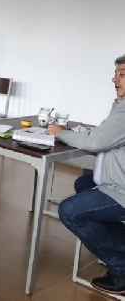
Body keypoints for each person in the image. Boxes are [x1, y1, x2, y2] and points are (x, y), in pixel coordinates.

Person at [48, 54, 125, 294]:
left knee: (70, 211)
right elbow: (107, 138)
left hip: (121, 188)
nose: (114, 79)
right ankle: (118, 245)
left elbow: (97, 142)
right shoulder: (121, 106)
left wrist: (61, 133)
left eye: (122, 74)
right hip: (116, 179)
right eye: (115, 73)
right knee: (83, 184)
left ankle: (121, 269)